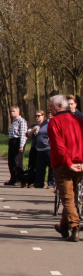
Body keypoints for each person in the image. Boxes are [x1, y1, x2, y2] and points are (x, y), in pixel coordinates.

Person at [47, 94, 83, 242]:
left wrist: (68, 163)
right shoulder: (79, 121)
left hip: (63, 165)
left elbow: (59, 146)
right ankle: (63, 226)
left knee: (67, 198)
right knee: (71, 195)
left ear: (58, 107)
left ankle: (74, 227)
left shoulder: (54, 122)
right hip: (79, 163)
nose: (50, 110)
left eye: (51, 107)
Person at [5, 106, 28, 186]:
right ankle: (13, 178)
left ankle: (20, 179)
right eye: (11, 111)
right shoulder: (14, 121)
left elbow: (23, 134)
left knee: (17, 162)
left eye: (14, 111)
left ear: (18, 112)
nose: (12, 113)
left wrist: (21, 145)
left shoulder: (21, 121)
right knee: (11, 161)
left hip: (17, 141)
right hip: (12, 141)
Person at [32, 110, 54, 189]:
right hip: (40, 149)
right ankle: (39, 183)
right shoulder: (44, 123)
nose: (50, 114)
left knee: (52, 167)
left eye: (51, 113)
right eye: (49, 113)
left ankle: (51, 184)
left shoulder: (54, 123)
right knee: (40, 167)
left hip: (49, 148)